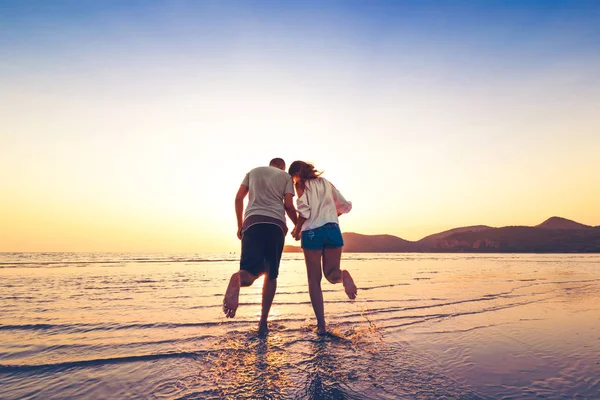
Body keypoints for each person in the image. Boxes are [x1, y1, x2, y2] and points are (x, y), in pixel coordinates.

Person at [223, 158, 298, 336]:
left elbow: (238, 198)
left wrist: (240, 225)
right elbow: (288, 205)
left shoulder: (253, 172)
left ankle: (238, 278)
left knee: (249, 274)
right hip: (275, 226)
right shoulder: (286, 177)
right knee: (271, 275)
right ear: (282, 167)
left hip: (252, 223)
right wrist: (298, 226)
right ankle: (263, 322)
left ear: (270, 164)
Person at [288, 160, 357, 335]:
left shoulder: (300, 184)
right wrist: (332, 215)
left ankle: (321, 325)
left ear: (296, 175)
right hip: (333, 228)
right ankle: (343, 276)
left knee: (314, 280)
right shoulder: (326, 183)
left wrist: (297, 229)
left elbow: (304, 210)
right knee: (331, 274)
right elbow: (344, 205)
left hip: (312, 231)